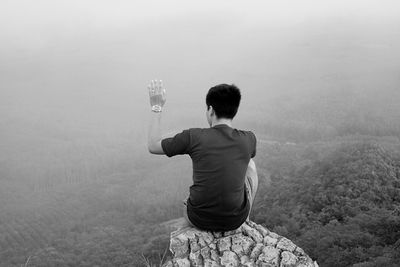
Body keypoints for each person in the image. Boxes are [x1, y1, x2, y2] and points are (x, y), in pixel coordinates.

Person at [147, 80, 258, 231]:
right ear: (234, 110)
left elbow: (153, 145)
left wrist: (156, 107)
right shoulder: (249, 139)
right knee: (250, 164)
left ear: (211, 110)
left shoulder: (194, 136)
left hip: (198, 218)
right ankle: (247, 216)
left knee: (190, 197)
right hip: (235, 220)